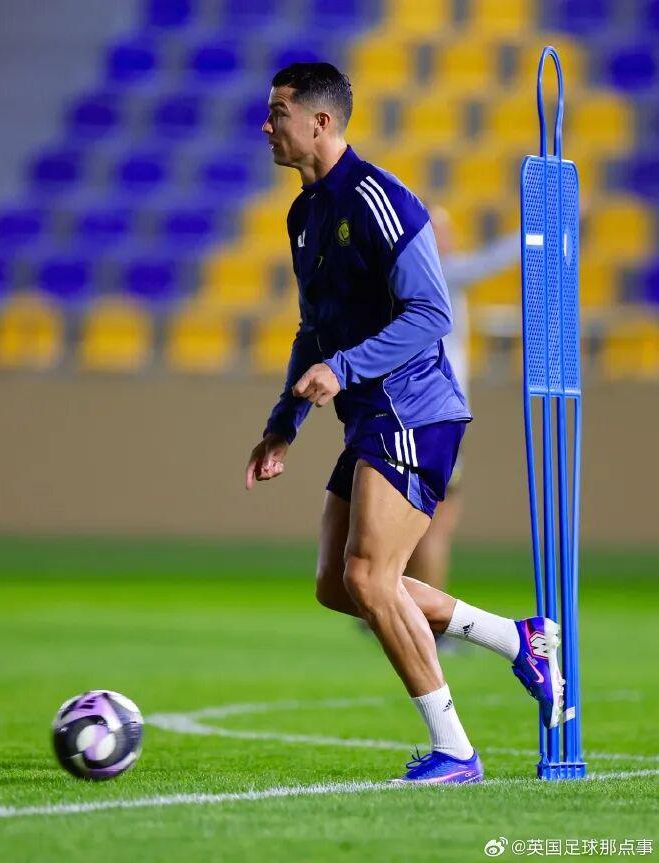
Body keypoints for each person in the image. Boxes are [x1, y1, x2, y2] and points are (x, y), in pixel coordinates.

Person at [246, 62, 563, 784]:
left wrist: (344, 367)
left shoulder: (379, 198)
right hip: (371, 416)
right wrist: (284, 422)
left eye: (278, 112)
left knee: (369, 574)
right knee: (339, 585)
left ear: (320, 122)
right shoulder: (303, 215)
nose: (266, 126)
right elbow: (311, 329)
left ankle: (456, 750)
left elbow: (433, 312)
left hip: (414, 409)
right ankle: (518, 640)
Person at [405, 210, 520, 597]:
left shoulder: (405, 278)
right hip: (440, 417)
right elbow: (490, 261)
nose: (451, 238)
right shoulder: (438, 273)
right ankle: (425, 614)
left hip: (418, 413)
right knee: (437, 522)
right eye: (442, 230)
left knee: (413, 517)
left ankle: (394, 604)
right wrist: (540, 228)